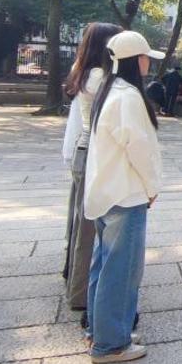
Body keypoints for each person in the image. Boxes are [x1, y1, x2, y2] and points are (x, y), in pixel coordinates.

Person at [83, 30, 165, 364]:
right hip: (125, 192)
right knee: (121, 270)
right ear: (136, 60)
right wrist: (151, 186)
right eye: (146, 57)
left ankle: (102, 330)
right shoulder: (127, 96)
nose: (148, 63)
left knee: (105, 266)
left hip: (109, 190)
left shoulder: (110, 90)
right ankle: (110, 342)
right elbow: (139, 148)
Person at [61, 23, 123, 314]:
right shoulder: (99, 76)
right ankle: (81, 293)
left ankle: (76, 282)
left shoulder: (85, 70)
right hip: (93, 152)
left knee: (81, 222)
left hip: (84, 150)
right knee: (88, 226)